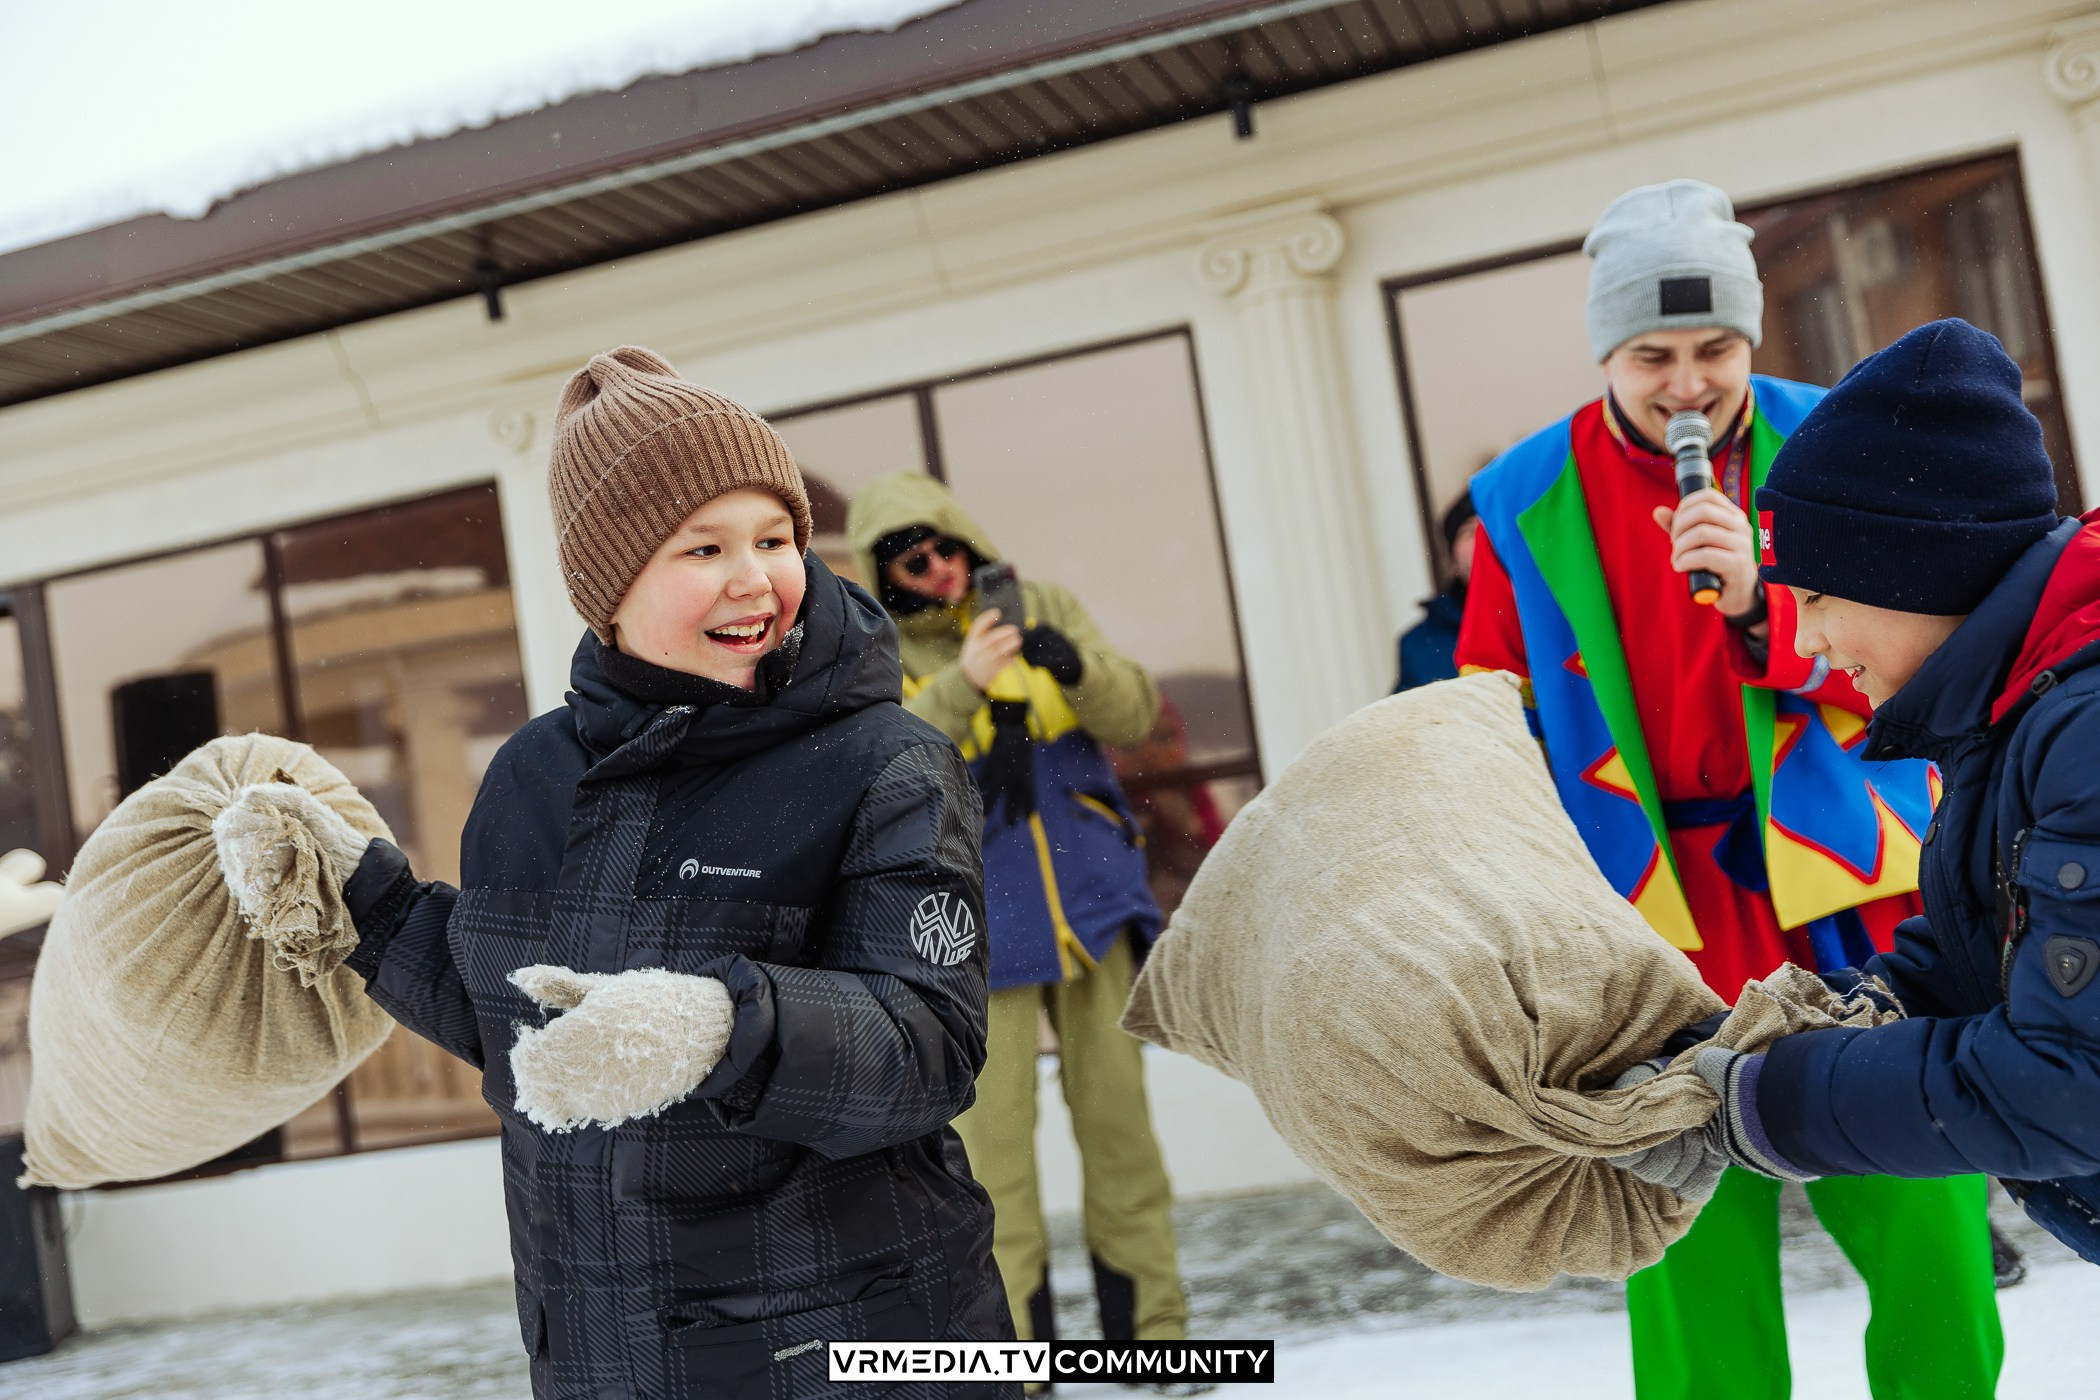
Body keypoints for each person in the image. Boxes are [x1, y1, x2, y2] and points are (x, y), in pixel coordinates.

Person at [258, 348, 1016, 1398]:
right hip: (598, 1354)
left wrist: (720, 1025)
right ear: (608, 586)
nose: (754, 577)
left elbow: (927, 1045)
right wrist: (364, 903)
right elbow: (524, 1024)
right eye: (704, 547)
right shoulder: (531, 773)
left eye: (775, 538)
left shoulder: (884, 763)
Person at [1457, 182, 2001, 1398]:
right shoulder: (1525, 494)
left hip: (1852, 891)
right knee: (1687, 1253)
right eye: (1652, 356)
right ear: (1606, 353)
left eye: (1715, 348)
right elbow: (1492, 711)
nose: (1689, 384)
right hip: (1646, 923)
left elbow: (1927, 663)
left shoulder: (1839, 442)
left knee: (1927, 1222)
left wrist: (1763, 608)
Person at [1621, 317, 2100, 1268]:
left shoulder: (2081, 730)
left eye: (1814, 597)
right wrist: (1745, 1041)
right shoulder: (2013, 710)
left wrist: (1758, 1105)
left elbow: (2071, 1084)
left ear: (1913, 570)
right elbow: (1976, 965)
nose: (1802, 641)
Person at [845, 473, 1207, 1396]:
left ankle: (1154, 1342)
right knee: (992, 1157)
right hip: (974, 931)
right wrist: (966, 688)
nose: (937, 569)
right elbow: (882, 758)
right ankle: (1015, 1367)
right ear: (884, 575)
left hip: (1091, 905)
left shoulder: (1044, 604)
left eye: (945, 546)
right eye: (910, 560)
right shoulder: (881, 649)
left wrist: (1072, 667)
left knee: (1122, 1136)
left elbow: (1135, 714)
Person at [1394, 494, 1478, 691]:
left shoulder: (1540, 614)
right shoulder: (1420, 646)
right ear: (1454, 562)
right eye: (1470, 532)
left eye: (1490, 528)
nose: (1483, 539)